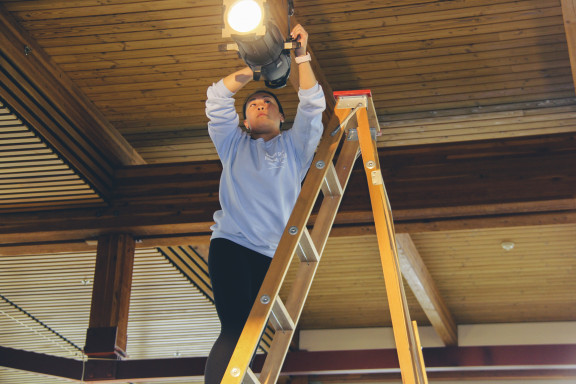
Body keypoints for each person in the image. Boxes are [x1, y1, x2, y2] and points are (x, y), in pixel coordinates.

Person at [204, 24, 325, 383]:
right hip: (231, 242)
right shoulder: (232, 145)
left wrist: (300, 55)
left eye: (268, 102)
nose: (260, 105)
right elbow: (216, 99)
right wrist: (255, 68)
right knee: (235, 324)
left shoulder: (295, 146)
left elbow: (312, 104)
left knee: (251, 334)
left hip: (271, 252)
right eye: (253, 105)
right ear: (244, 121)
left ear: (281, 117)